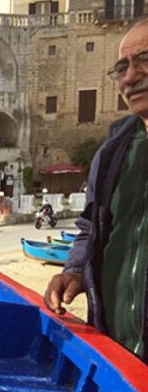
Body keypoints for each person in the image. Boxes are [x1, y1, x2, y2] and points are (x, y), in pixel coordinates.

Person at [44, 17, 148, 361]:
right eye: (122, 68)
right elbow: (92, 228)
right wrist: (74, 270)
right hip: (119, 353)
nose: (130, 78)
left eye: (144, 60)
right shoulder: (114, 151)